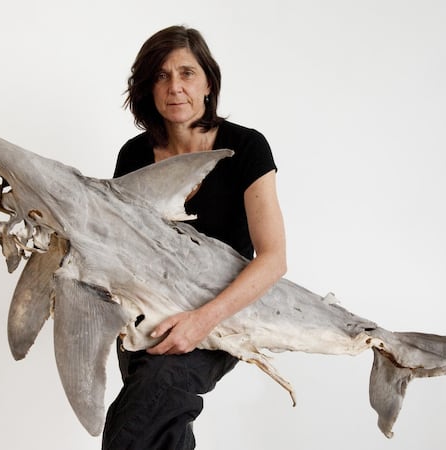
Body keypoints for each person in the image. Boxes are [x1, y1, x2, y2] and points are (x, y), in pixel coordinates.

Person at [102, 25, 287, 450]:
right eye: (161, 76)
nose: (175, 87)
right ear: (147, 88)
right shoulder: (134, 155)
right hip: (144, 315)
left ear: (208, 82)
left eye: (186, 73)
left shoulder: (246, 147)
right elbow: (119, 247)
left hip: (223, 314)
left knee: (146, 407)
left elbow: (274, 258)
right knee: (161, 428)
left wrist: (200, 322)